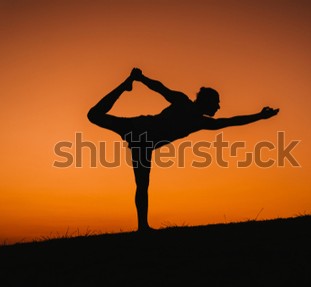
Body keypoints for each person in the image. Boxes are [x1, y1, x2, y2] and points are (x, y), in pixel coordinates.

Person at [87, 68, 279, 232]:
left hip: (144, 143)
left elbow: (230, 122)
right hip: (139, 128)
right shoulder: (184, 103)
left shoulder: (200, 122)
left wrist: (260, 116)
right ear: (206, 102)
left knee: (142, 183)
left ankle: (143, 226)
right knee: (93, 115)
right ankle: (125, 85)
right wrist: (141, 79)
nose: (219, 106)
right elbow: (161, 88)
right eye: (216, 103)